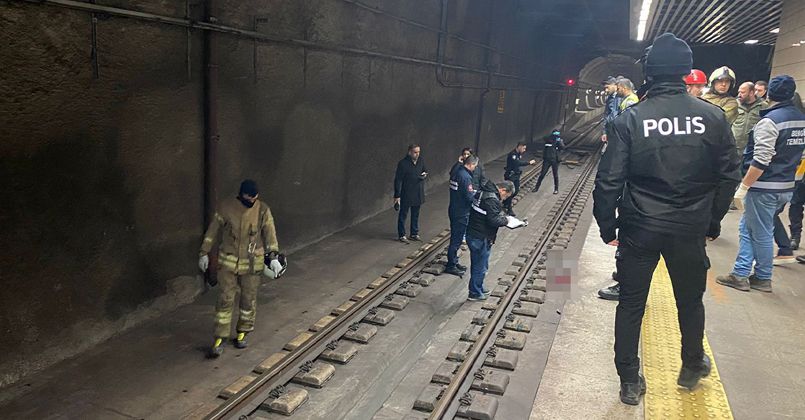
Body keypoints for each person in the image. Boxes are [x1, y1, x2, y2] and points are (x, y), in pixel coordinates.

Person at [593, 33, 740, 405]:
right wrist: (712, 221)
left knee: (631, 304)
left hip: (640, 229)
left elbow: (609, 180)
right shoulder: (713, 118)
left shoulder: (631, 119)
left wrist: (607, 225)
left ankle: (629, 379)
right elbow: (728, 176)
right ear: (685, 72)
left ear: (650, 71)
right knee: (690, 302)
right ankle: (691, 365)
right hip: (688, 229)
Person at [717, 75, 805, 292]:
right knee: (748, 228)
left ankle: (763, 276)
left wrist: (744, 186)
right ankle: (741, 272)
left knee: (762, 232)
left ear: (768, 94)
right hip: (786, 184)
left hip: (765, 186)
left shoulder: (771, 121)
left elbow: (761, 158)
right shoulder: (800, 119)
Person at [199, 179, 283, 357]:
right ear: (241, 194)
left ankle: (242, 333)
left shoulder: (262, 210)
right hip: (228, 263)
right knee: (225, 299)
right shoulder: (226, 207)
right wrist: (203, 252)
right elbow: (212, 230)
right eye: (248, 197)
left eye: (254, 198)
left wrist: (274, 255)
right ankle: (220, 338)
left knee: (248, 300)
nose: (251, 201)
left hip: (252, 264)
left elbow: (270, 233)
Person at [466, 180, 514, 301]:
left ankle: (478, 286)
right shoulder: (491, 199)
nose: (504, 198)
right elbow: (493, 220)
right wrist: (507, 221)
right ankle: (474, 292)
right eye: (506, 196)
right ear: (503, 190)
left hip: (474, 232)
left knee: (480, 264)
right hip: (481, 236)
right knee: (480, 266)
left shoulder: (483, 192)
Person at [446, 155, 479, 277]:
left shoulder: (457, 172)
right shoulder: (465, 177)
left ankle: (454, 262)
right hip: (461, 212)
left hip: (454, 208)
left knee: (455, 238)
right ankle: (451, 265)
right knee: (456, 240)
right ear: (471, 164)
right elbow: (469, 196)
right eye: (474, 166)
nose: (475, 168)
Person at [394, 144, 428, 244]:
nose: (417, 154)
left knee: (415, 214)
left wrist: (424, 175)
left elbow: (425, 170)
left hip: (418, 191)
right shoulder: (403, 164)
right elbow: (398, 180)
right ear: (409, 152)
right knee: (403, 214)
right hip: (407, 192)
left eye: (418, 152)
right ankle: (402, 234)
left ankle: (414, 233)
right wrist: (397, 195)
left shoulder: (421, 161)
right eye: (415, 152)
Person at [732, 81, 767, 156]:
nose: (739, 95)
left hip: (751, 150)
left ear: (751, 93)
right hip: (734, 148)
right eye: (739, 92)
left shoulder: (763, 106)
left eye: (742, 92)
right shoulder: (734, 104)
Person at [502, 142, 536, 217]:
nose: (524, 150)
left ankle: (505, 202)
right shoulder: (512, 154)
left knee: (516, 191)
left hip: (516, 175)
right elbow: (517, 163)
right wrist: (528, 163)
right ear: (519, 147)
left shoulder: (518, 154)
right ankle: (509, 209)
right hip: (511, 175)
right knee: (510, 191)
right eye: (523, 148)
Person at [533, 129, 565, 194]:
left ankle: (556, 189)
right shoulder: (548, 140)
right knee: (542, 174)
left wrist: (559, 141)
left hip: (555, 160)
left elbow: (562, 147)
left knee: (555, 175)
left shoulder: (558, 141)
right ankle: (536, 187)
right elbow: (545, 140)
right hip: (547, 160)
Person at [601, 76, 622, 143]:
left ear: (614, 85)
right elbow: (606, 115)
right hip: (611, 131)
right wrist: (604, 132)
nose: (606, 90)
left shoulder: (622, 97)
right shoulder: (609, 99)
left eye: (607, 87)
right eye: (604, 88)